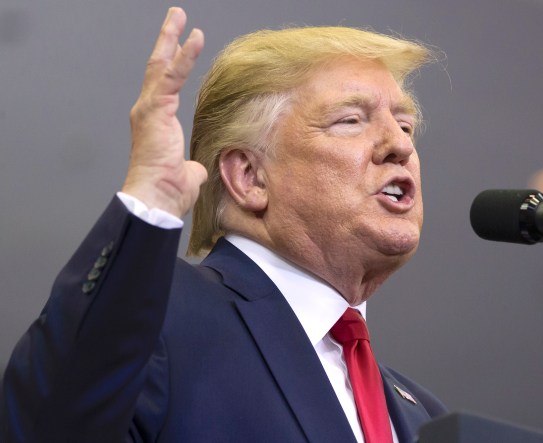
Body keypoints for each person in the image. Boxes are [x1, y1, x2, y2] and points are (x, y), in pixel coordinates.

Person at [0, 7, 447, 443]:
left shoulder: (424, 414)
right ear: (250, 177)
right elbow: (49, 425)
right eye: (351, 120)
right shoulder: (156, 313)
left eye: (405, 125)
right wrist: (148, 202)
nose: (399, 146)